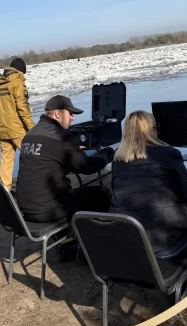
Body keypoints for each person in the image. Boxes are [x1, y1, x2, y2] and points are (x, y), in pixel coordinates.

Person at [15, 95, 114, 261]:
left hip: (25, 208)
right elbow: (86, 167)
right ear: (57, 114)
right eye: (70, 113)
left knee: (70, 192)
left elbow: (47, 159)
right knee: (101, 194)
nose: (73, 117)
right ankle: (88, 247)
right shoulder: (61, 137)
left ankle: (67, 243)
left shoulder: (30, 134)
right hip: (49, 209)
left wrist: (72, 150)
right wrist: (107, 153)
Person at [110, 110, 187, 259]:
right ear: (151, 130)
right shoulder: (167, 154)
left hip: (131, 239)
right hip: (163, 243)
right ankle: (183, 262)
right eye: (156, 128)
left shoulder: (118, 159)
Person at [0, 57, 34, 189]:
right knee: (32, 156)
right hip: (17, 128)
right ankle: (34, 185)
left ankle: (5, 189)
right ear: (20, 70)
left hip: (2, 129)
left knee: (6, 160)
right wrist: (32, 128)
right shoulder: (17, 83)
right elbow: (23, 108)